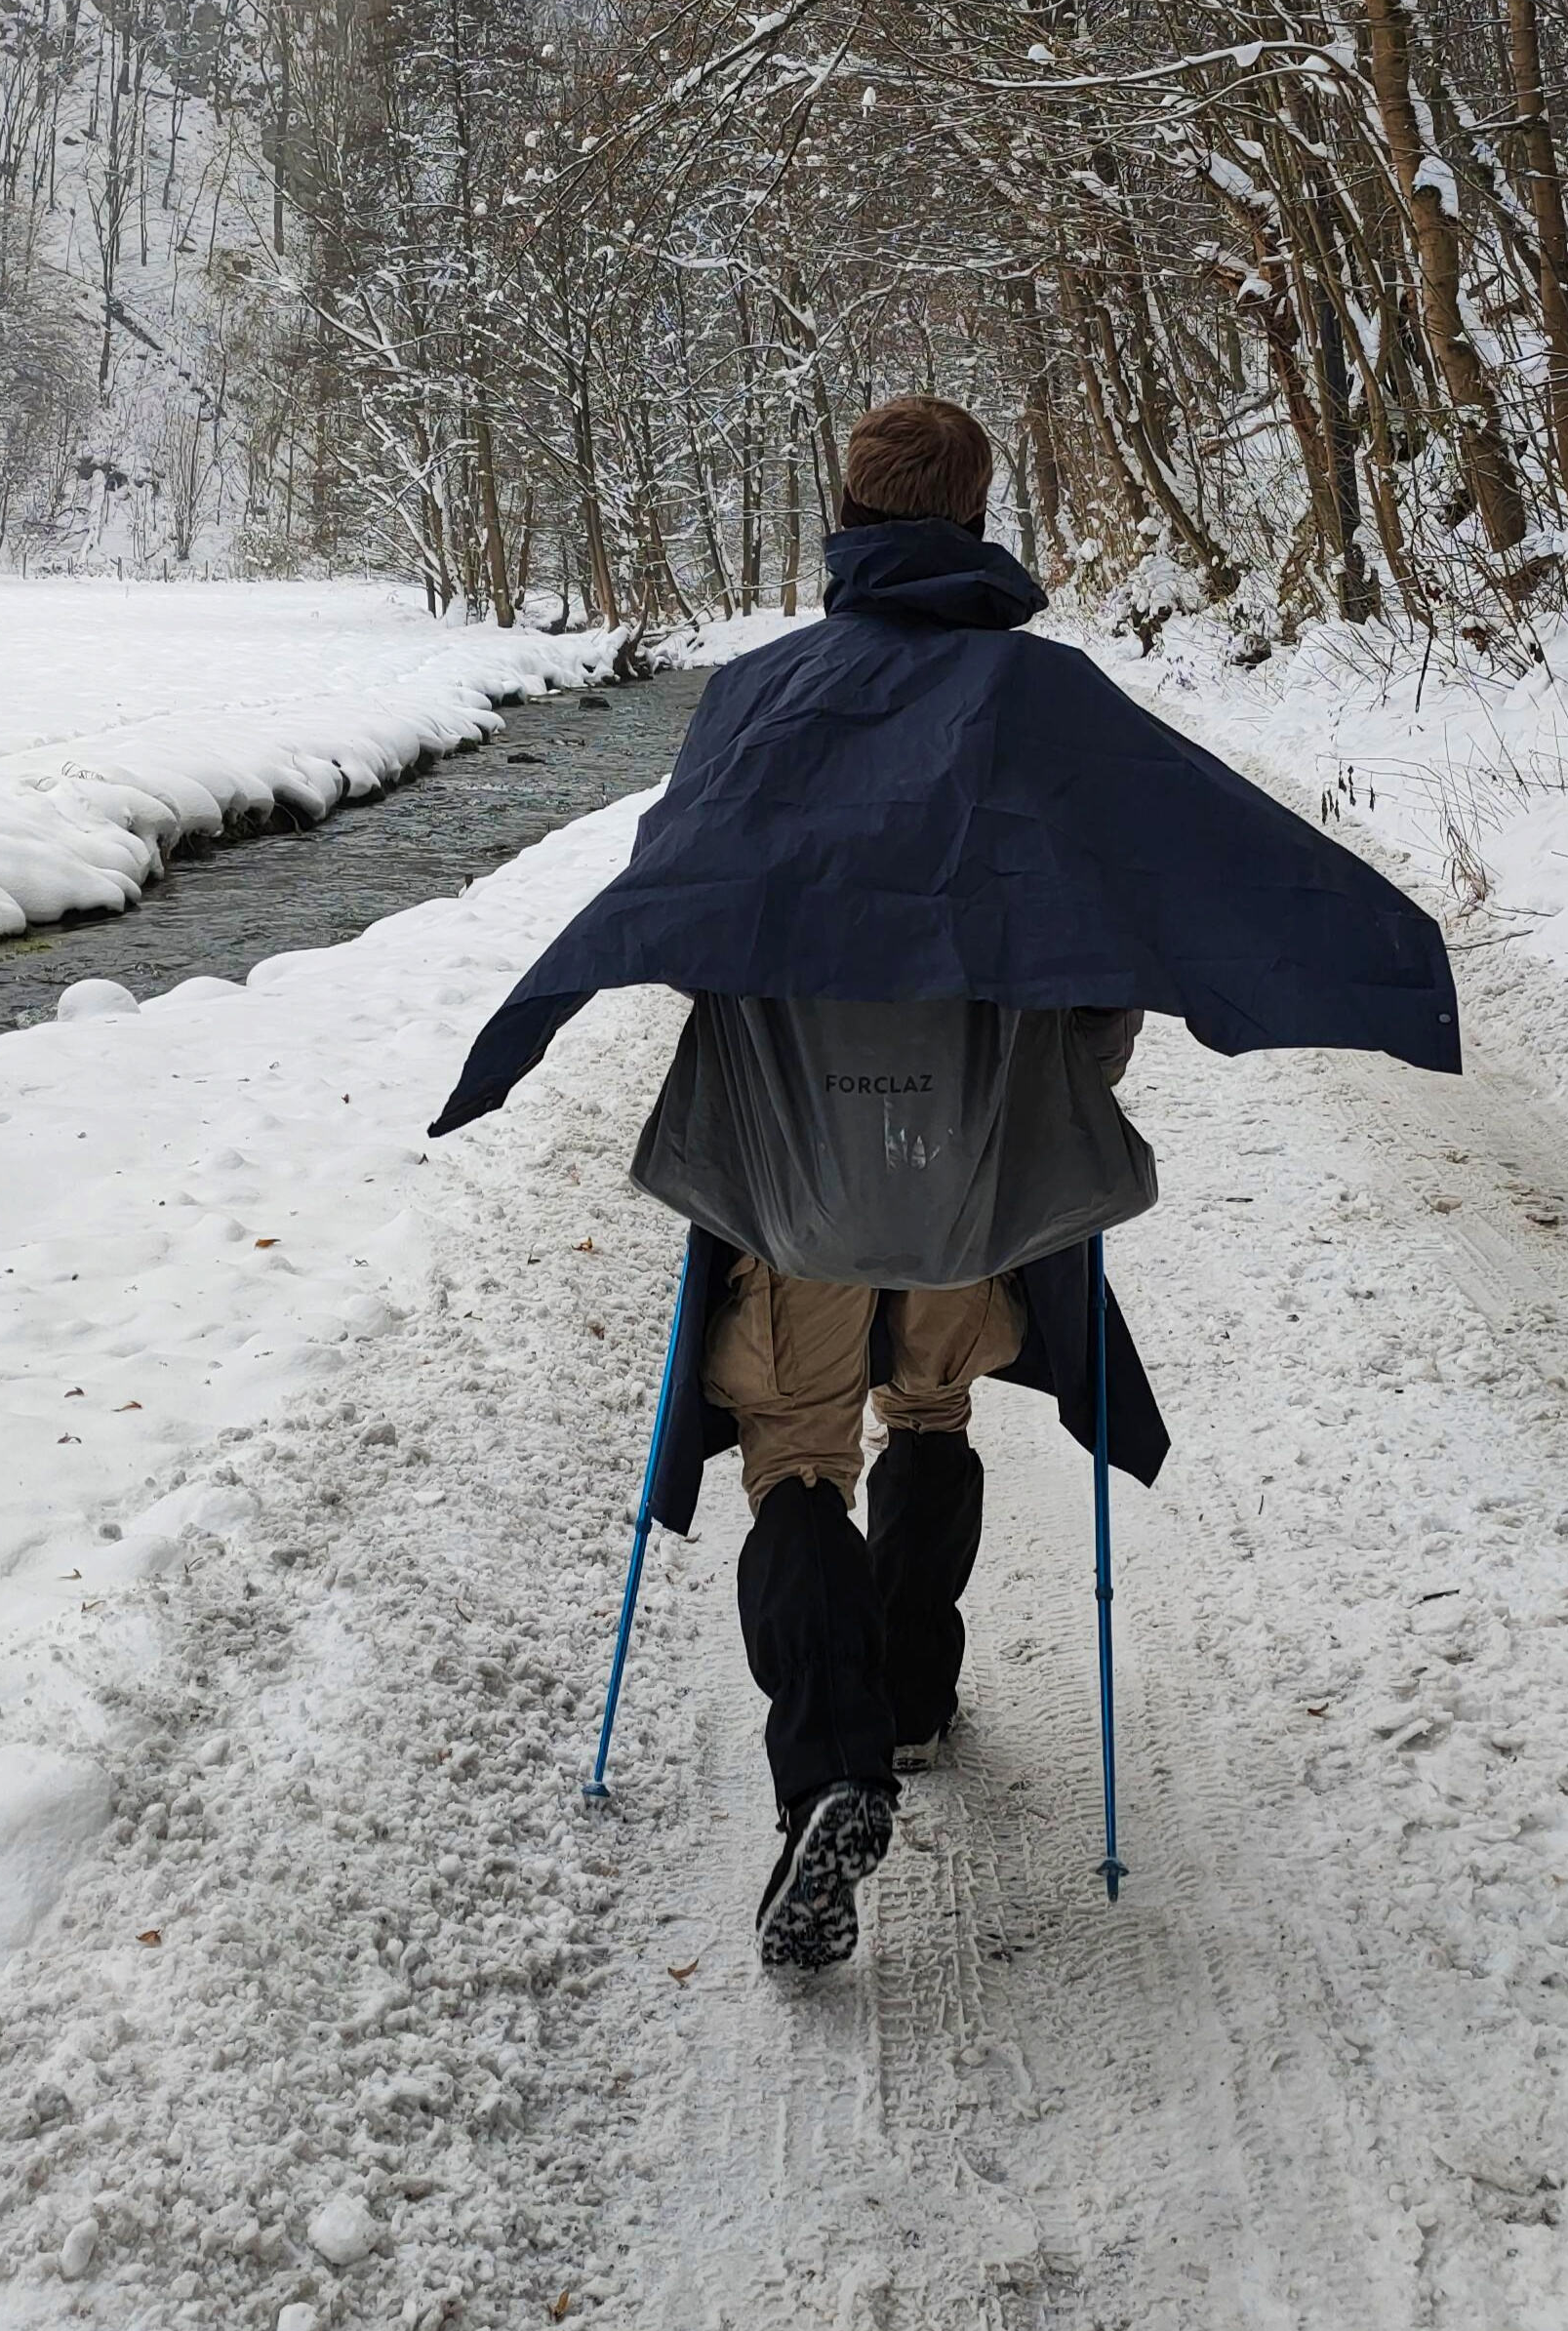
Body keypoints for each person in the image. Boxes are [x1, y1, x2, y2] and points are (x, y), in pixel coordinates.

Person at [429, 395, 1460, 1971]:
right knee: (932, 1410)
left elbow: (687, 910)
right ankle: (911, 1695)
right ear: (981, 520)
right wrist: (1051, 1099)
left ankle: (834, 1768)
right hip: (975, 1186)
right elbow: (1146, 918)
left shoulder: (760, 702)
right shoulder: (1046, 708)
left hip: (792, 1188)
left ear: (842, 519)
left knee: (792, 1453)